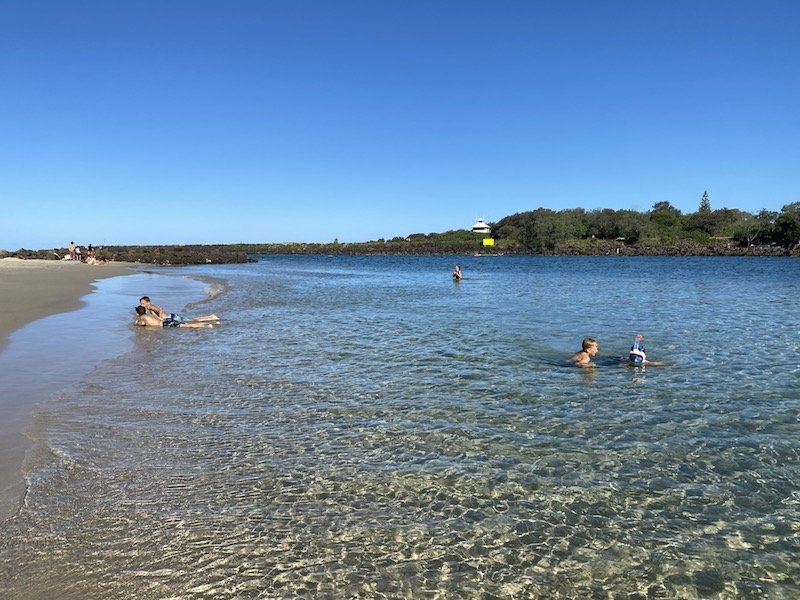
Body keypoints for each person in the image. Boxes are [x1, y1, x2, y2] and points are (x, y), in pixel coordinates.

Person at [139, 296, 219, 323]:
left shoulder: (151, 307)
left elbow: (160, 309)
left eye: (143, 303)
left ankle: (211, 317)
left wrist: (161, 319)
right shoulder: (149, 308)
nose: (141, 305)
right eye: (141, 303)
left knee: (192, 321)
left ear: (148, 302)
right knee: (191, 320)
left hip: (171, 317)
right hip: (171, 317)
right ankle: (210, 317)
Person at [134, 306, 218, 328]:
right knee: (187, 323)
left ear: (138, 313)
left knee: (186, 325)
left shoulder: (142, 317)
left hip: (164, 324)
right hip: (165, 321)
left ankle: (206, 325)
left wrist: (136, 323)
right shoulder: (150, 314)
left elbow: (143, 324)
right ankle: (208, 322)